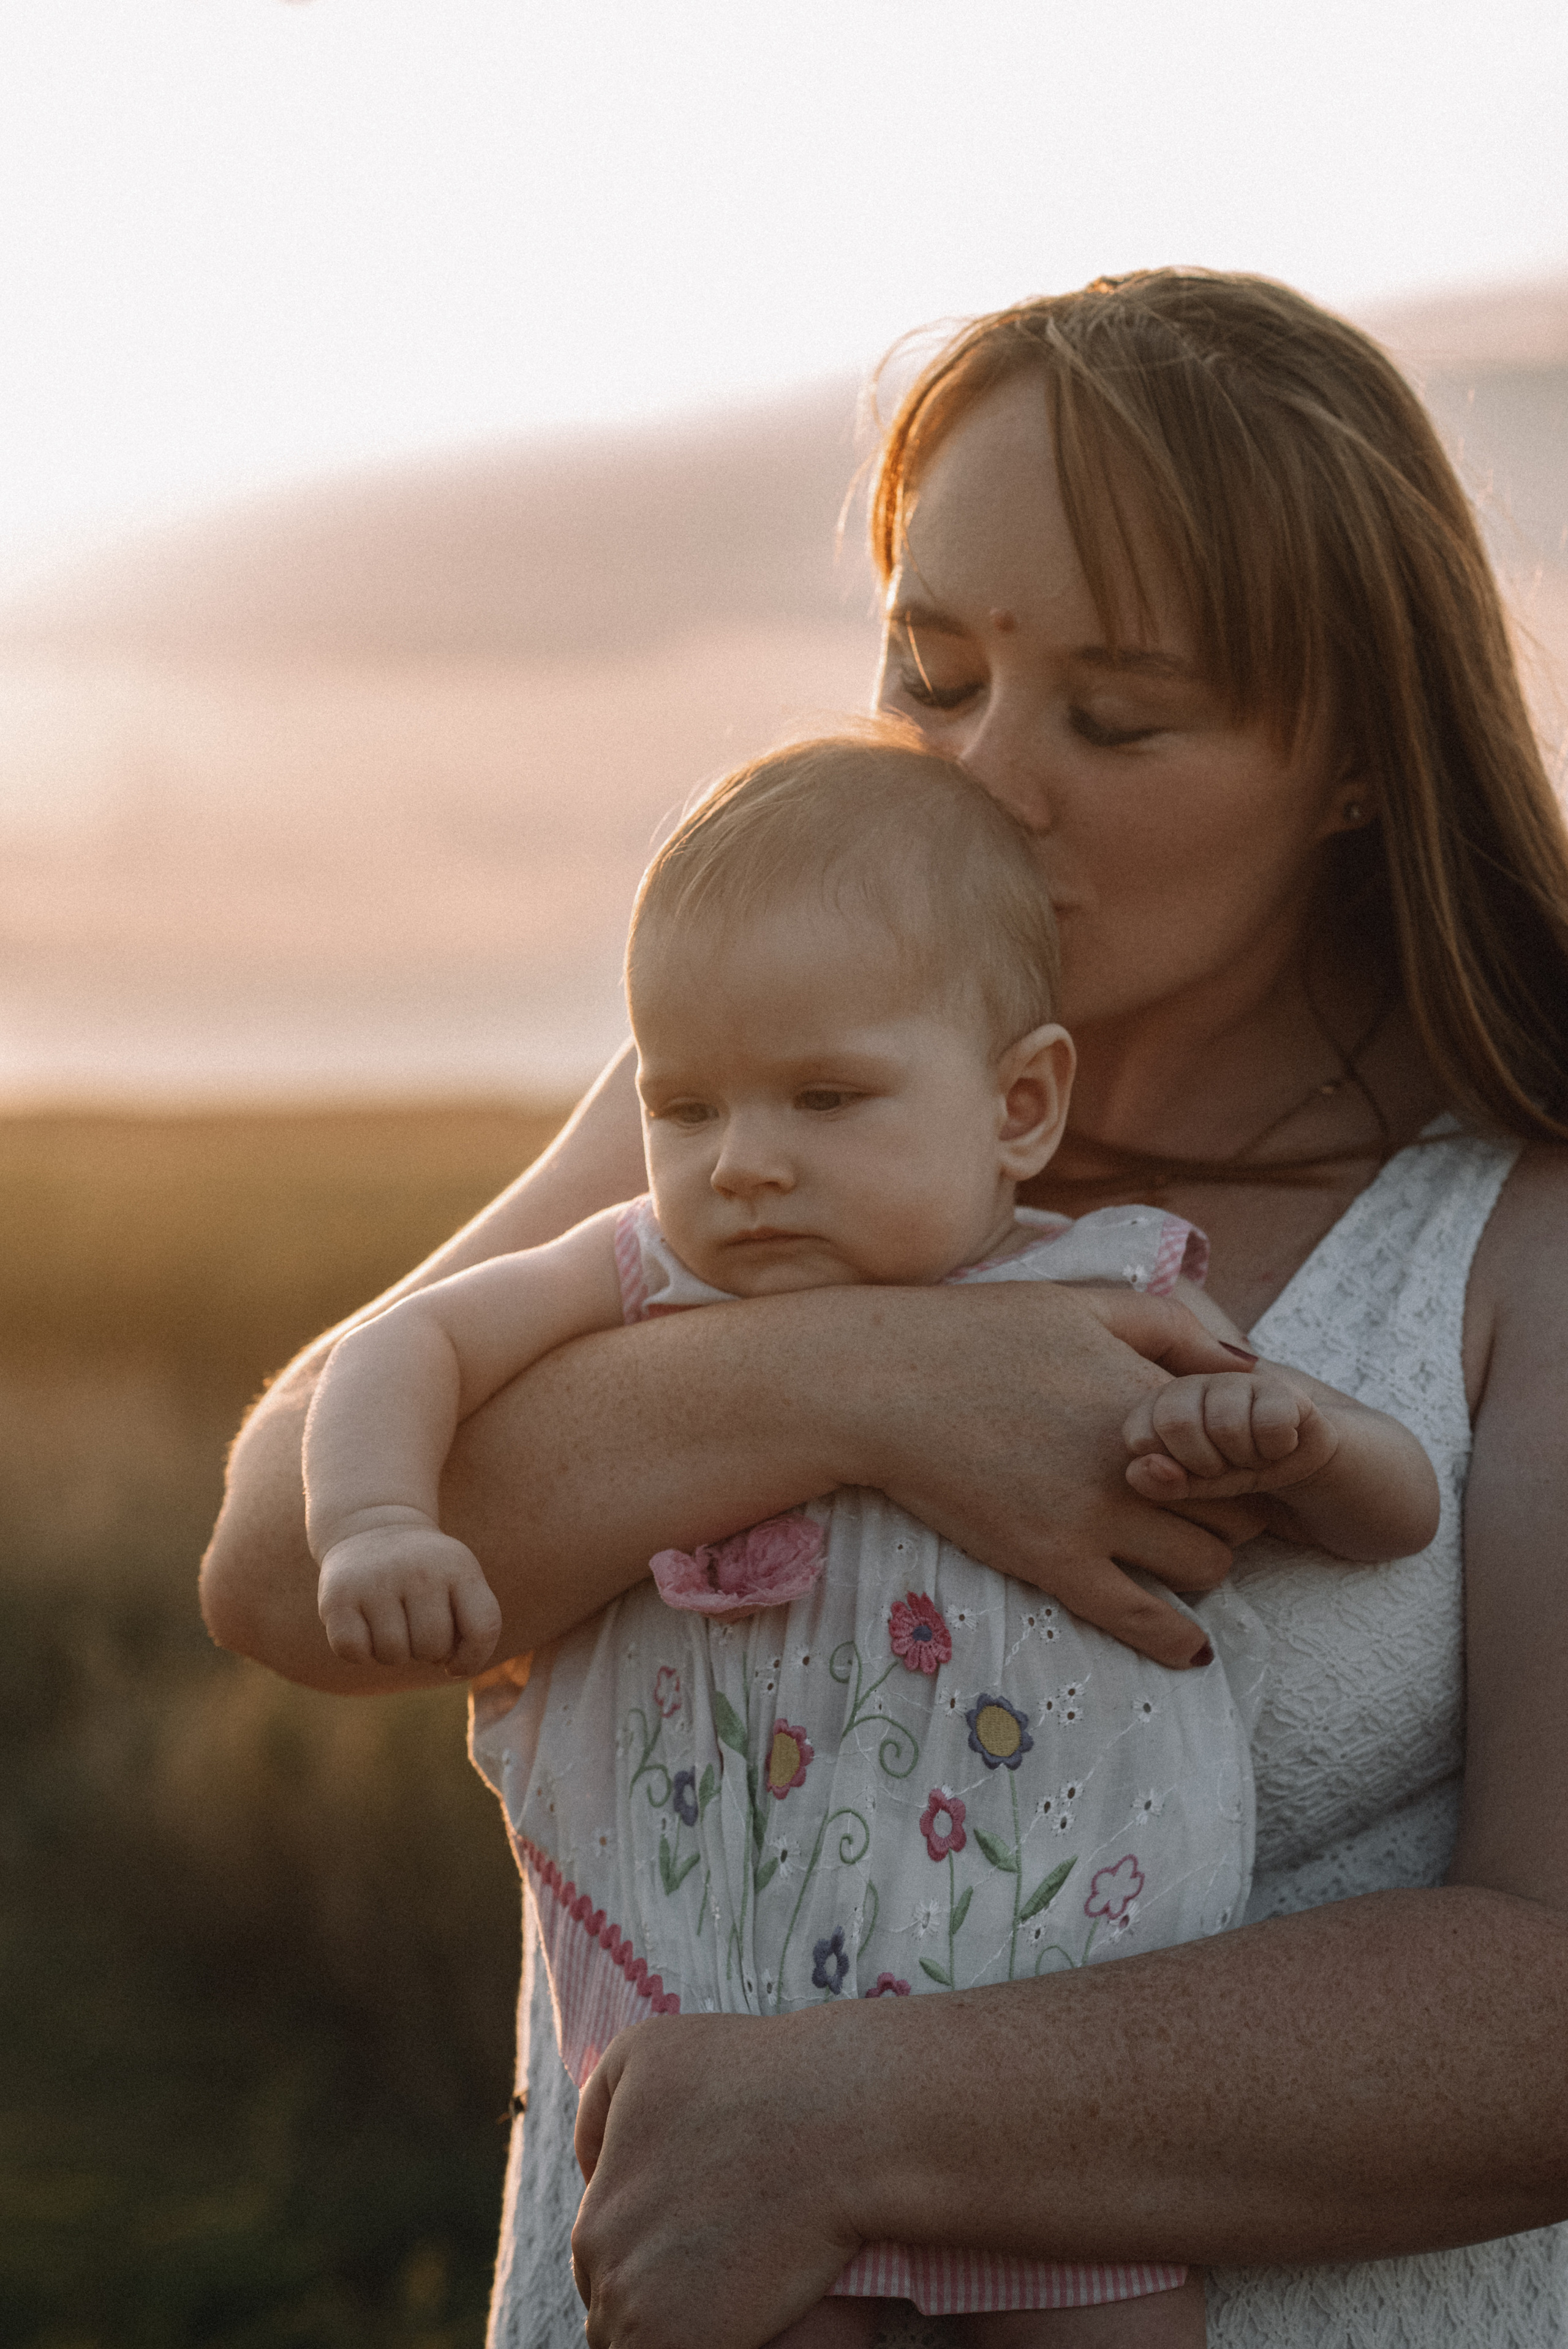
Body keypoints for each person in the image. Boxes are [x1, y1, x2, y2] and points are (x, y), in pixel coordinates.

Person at [200, 268, 1568, 2349]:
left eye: (1117, 716)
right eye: (930, 672)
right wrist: (877, 1381)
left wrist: (849, 2121)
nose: (988, 777)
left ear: (1363, 761)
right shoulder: (783, 1096)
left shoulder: (1520, 1223)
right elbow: (274, 1561)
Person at [300, 733, 1438, 2347]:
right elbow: (400, 1349)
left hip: (1042, 2045)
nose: (743, 1159)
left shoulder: (1101, 1294)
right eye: (685, 1104)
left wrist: (1306, 1443)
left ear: (1019, 1101)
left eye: (825, 1097)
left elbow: (1393, 1510)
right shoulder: (646, 1274)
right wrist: (370, 1522)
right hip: (730, 2035)